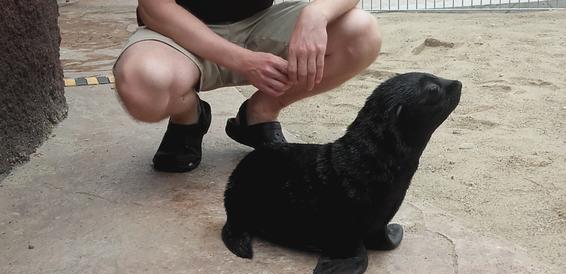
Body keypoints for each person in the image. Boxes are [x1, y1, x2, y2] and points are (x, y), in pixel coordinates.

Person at [113, 0, 382, 172]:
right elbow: (155, 8)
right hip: (177, 31)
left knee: (361, 32)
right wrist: (243, 61)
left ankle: (259, 113)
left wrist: (317, 13)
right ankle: (188, 116)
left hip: (258, 23)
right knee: (141, 83)